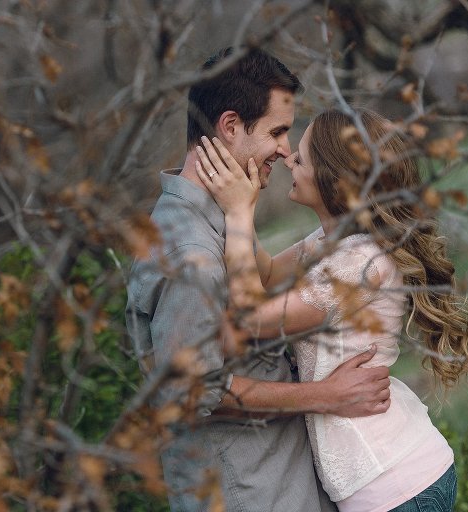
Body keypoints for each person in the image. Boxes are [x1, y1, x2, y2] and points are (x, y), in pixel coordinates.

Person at [125, 47, 392, 512]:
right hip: (251, 491)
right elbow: (191, 392)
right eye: (277, 132)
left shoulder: (219, 219)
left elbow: (268, 276)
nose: (286, 150)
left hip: (282, 478)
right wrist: (325, 396)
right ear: (230, 126)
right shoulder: (190, 253)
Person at [195, 107, 468, 511]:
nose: (289, 160)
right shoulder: (334, 244)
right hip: (392, 479)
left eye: (302, 158)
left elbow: (251, 319)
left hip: (396, 483)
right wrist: (239, 205)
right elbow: (267, 274)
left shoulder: (359, 265)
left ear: (333, 181)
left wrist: (238, 214)